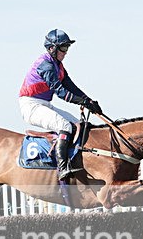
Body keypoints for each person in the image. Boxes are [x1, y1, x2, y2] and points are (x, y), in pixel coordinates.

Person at [18, 29, 102, 180]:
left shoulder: (58, 65)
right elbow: (61, 92)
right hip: (31, 106)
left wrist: (89, 100)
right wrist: (82, 102)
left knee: (78, 124)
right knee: (65, 126)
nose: (66, 52)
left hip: (44, 104)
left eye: (67, 47)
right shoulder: (46, 65)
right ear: (52, 48)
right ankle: (62, 168)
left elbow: (70, 86)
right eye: (63, 48)